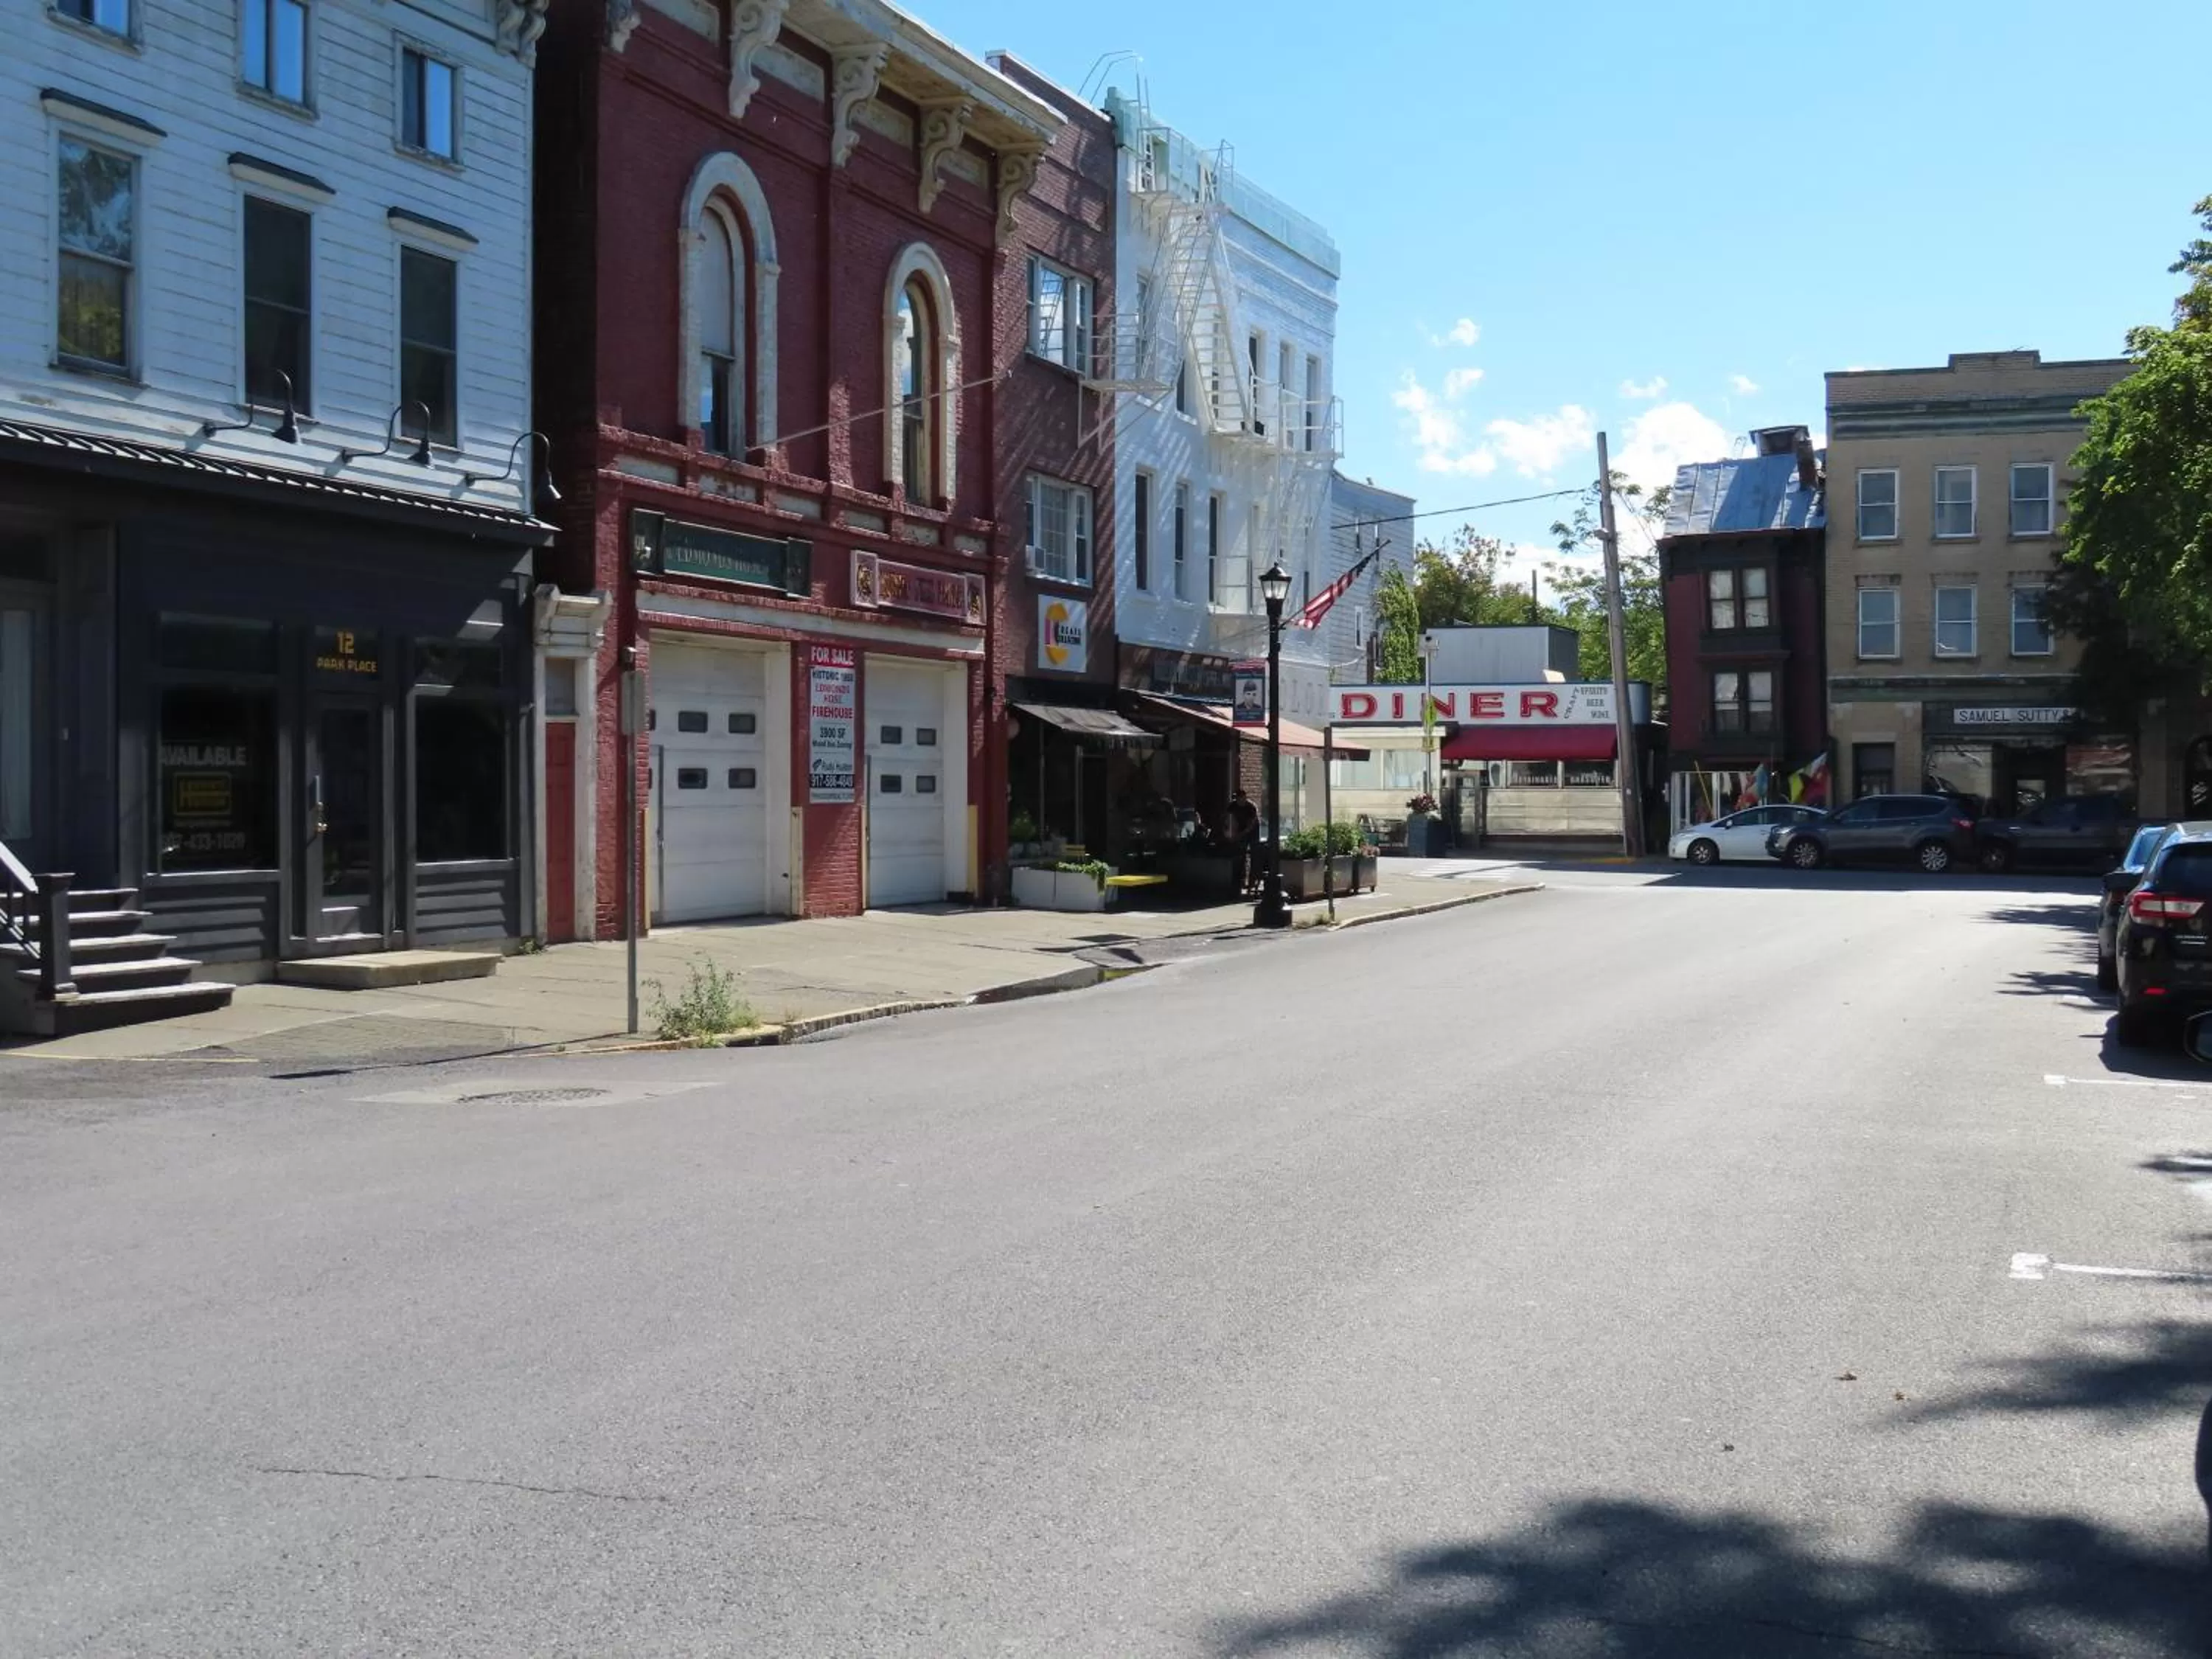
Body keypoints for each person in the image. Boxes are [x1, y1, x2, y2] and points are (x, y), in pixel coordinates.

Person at [1223, 787, 1259, 894]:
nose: (1239, 801)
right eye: (1237, 799)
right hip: (1240, 828)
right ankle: (1241, 881)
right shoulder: (1232, 806)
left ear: (1244, 798)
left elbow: (1249, 827)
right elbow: (1226, 819)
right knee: (1241, 854)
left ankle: (1252, 882)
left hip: (1253, 830)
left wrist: (1238, 836)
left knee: (1254, 854)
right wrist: (1226, 832)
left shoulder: (1251, 807)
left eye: (1241, 799)